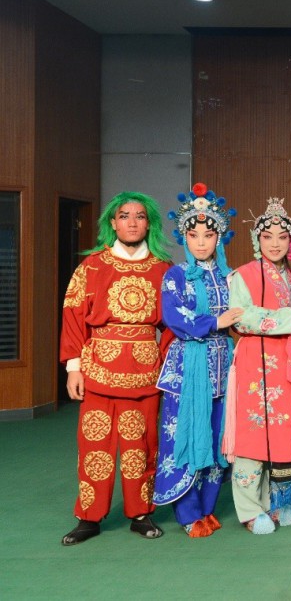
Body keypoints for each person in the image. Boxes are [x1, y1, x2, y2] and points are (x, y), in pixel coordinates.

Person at [60, 191, 173, 545]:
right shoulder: (92, 266)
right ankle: (89, 516)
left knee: (142, 445)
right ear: (113, 222)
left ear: (149, 224)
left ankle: (141, 513)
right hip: (98, 369)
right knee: (95, 443)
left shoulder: (163, 269)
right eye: (124, 216)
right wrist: (74, 368)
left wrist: (168, 367)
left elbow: (171, 325)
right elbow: (73, 315)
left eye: (140, 216)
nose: (132, 223)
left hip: (144, 371)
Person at [153, 183, 242, 537]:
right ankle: (188, 513)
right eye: (194, 235)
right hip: (189, 368)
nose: (201, 242)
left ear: (220, 238)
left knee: (219, 434)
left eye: (208, 235)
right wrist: (216, 322)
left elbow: (244, 314)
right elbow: (174, 317)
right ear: (184, 238)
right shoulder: (175, 275)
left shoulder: (229, 276)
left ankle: (207, 508)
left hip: (224, 367)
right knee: (188, 433)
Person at [223, 197, 291, 534]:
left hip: (288, 365)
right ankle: (250, 509)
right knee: (253, 433)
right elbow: (239, 317)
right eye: (267, 236)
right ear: (256, 239)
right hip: (254, 364)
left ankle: (282, 503)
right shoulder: (243, 275)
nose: (274, 243)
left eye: (282, 237)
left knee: (285, 433)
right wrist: (286, 317)